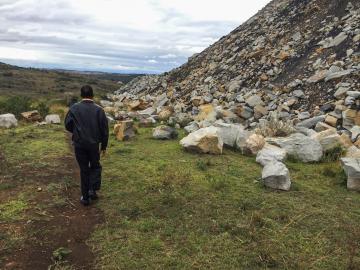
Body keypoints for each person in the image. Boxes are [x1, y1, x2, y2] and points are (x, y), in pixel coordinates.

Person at [65, 85, 109, 206]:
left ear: (81, 95)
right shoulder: (99, 110)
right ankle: (92, 191)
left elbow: (67, 125)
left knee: (84, 170)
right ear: (92, 95)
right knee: (95, 166)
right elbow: (104, 130)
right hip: (94, 145)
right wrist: (104, 146)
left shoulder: (74, 108)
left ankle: (85, 198)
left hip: (79, 144)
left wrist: (76, 132)